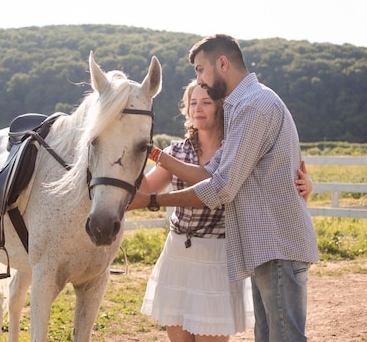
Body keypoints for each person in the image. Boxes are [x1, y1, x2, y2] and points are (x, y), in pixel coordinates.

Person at [129, 34, 319, 342]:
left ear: (222, 63)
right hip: (265, 246)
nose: (200, 79)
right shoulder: (245, 105)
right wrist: (150, 155)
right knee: (270, 336)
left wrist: (152, 200)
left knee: (284, 338)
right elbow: (212, 172)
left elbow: (220, 189)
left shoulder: (253, 107)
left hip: (277, 242)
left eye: (201, 70)